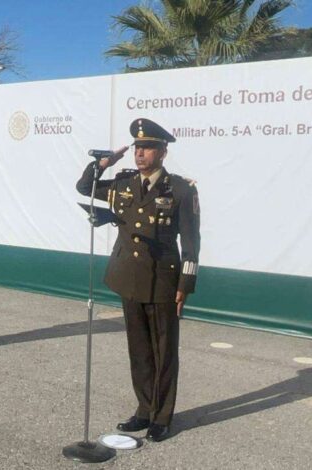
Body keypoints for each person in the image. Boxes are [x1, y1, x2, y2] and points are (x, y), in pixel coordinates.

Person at [76, 117, 201, 442]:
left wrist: (185, 284)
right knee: (139, 349)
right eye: (137, 148)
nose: (140, 153)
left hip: (162, 279)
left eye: (147, 148)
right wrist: (102, 164)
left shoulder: (181, 189)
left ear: (163, 152)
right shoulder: (124, 183)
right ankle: (144, 410)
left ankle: (162, 416)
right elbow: (84, 188)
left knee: (164, 351)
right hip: (129, 277)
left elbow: (191, 242)